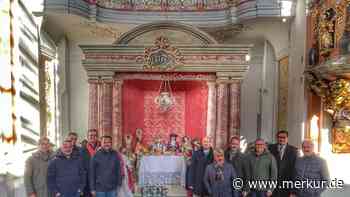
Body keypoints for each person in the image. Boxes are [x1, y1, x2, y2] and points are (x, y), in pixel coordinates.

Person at [268, 130, 298, 197]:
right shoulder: (270, 148)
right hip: (272, 184)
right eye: (279, 137)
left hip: (286, 185)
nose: (281, 139)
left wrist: (293, 190)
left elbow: (295, 171)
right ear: (277, 138)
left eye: (283, 137)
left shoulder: (294, 151)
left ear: (287, 138)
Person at [80, 129, 100, 197]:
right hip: (87, 181)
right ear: (87, 137)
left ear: (97, 137)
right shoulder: (82, 150)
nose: (93, 137)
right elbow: (80, 167)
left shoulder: (101, 148)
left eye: (95, 135)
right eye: (91, 135)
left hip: (99, 180)